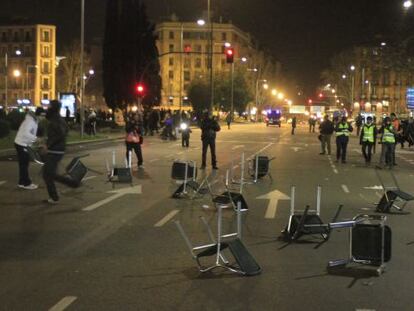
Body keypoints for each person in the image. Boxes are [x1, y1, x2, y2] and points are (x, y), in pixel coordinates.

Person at [42, 100, 78, 204]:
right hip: (56, 150)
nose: (47, 107)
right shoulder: (57, 118)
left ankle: (70, 184)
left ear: (53, 107)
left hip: (55, 151)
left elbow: (61, 133)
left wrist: (48, 145)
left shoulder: (56, 119)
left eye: (49, 106)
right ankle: (57, 195)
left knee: (48, 174)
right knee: (48, 174)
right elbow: (65, 130)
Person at [14, 108, 42, 189]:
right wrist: (36, 138)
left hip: (22, 143)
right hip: (21, 143)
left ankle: (22, 182)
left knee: (24, 164)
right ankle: (26, 184)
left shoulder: (33, 120)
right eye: (42, 115)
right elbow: (26, 133)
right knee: (24, 164)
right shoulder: (30, 121)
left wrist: (32, 143)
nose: (43, 117)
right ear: (37, 115)